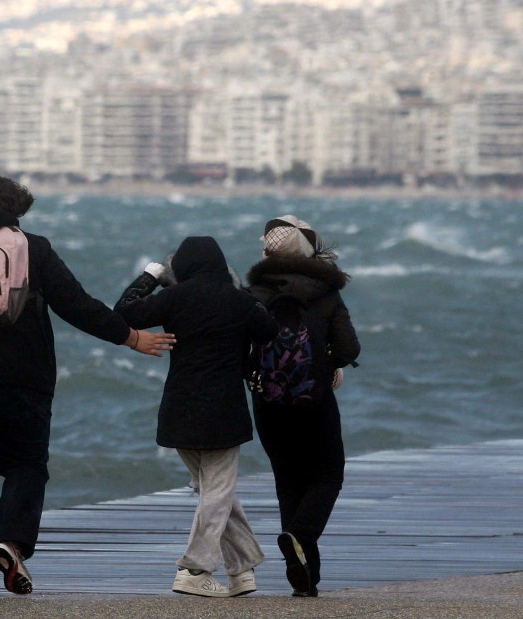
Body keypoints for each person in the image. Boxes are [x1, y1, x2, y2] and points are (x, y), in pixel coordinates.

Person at [0, 174, 175, 598]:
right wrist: (130, 337)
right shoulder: (33, 248)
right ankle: (11, 541)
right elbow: (76, 304)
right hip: (25, 380)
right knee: (26, 466)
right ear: (16, 212)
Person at [114, 236, 276, 598]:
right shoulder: (238, 301)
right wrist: (240, 294)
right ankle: (194, 569)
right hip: (224, 411)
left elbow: (124, 311)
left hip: (179, 409)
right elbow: (269, 330)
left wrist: (150, 276)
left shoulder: (175, 297)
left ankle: (243, 568)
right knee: (217, 490)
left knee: (215, 491)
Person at [245, 215, 361, 597]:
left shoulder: (254, 293)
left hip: (267, 402)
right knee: (328, 475)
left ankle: (304, 578)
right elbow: (348, 348)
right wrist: (327, 366)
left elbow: (240, 349)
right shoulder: (326, 292)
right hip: (315, 401)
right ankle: (300, 535)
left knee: (288, 481)